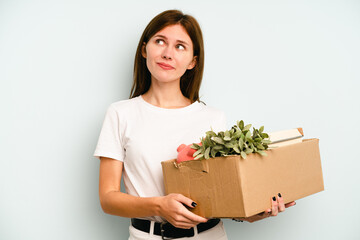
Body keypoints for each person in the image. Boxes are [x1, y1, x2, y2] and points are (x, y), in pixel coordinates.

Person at [93, 9, 295, 240]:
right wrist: (159, 206)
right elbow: (108, 199)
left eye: (180, 46)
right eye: (160, 41)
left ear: (192, 62)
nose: (168, 53)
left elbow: (219, 195)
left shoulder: (213, 118)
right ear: (144, 49)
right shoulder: (120, 113)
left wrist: (249, 213)